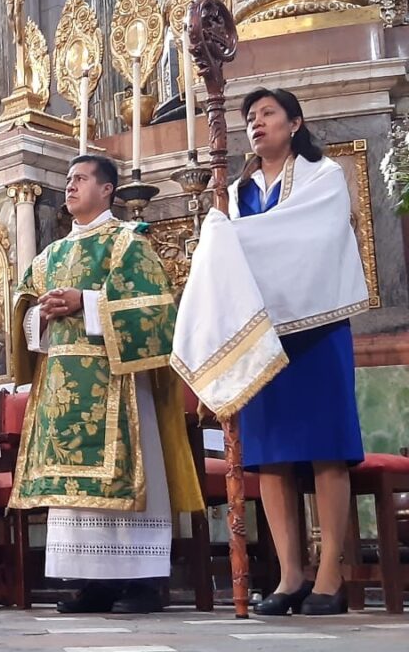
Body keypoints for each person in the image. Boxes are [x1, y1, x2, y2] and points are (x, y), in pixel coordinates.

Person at [173, 88, 368, 616]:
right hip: (260, 336)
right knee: (272, 455)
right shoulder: (235, 194)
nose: (256, 124)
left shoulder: (323, 177)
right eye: (250, 118)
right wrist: (218, 235)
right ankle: (290, 576)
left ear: (295, 122)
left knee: (326, 448)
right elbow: (225, 258)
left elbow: (311, 238)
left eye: (267, 114)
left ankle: (332, 574)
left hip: (317, 327)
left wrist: (228, 238)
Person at [8, 155, 203, 614]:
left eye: (80, 179)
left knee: (131, 475)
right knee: (75, 496)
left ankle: (143, 581)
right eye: (69, 180)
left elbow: (157, 308)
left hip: (119, 382)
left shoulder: (127, 243)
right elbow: (23, 311)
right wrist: (42, 314)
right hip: (62, 384)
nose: (70, 187)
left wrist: (88, 303)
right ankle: (92, 580)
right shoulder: (49, 255)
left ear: (108, 190)